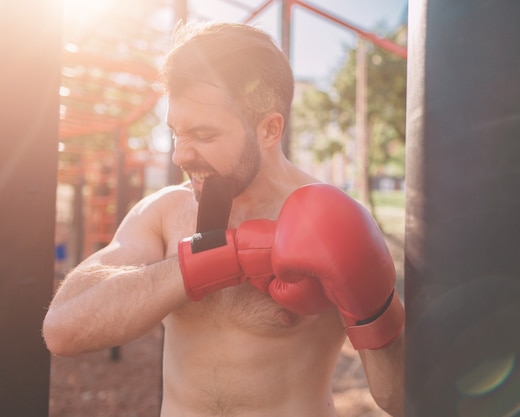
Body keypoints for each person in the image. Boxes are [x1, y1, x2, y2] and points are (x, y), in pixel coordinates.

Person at [43, 22, 405, 417]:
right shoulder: (165, 212)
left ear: (269, 129)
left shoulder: (334, 224)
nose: (180, 156)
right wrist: (214, 261)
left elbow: (398, 400)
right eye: (176, 134)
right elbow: (62, 330)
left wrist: (376, 312)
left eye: (203, 134)